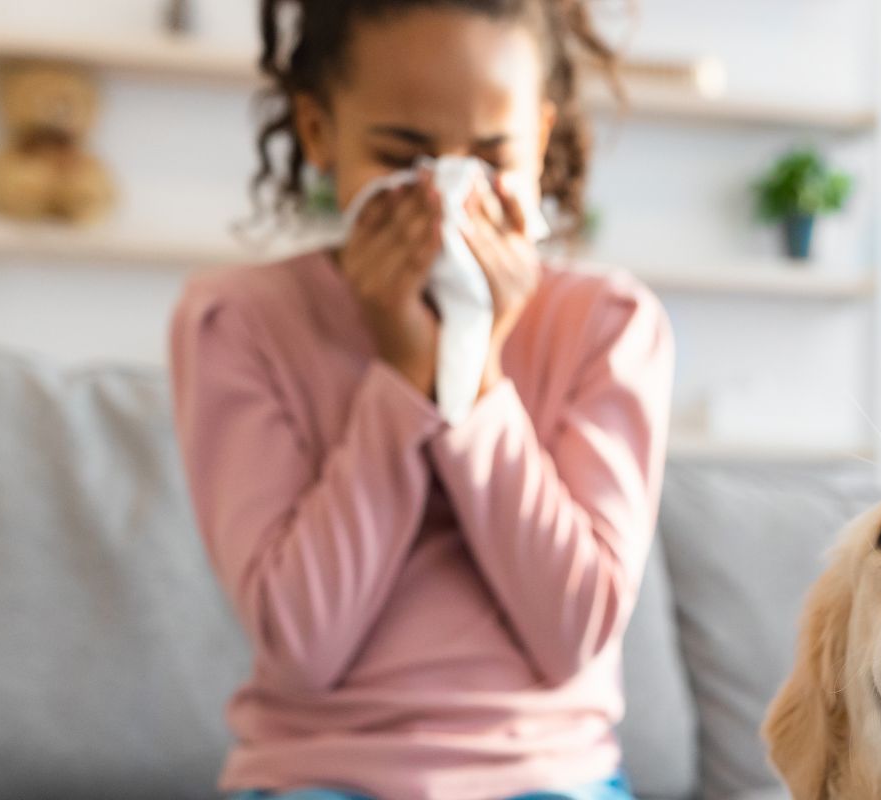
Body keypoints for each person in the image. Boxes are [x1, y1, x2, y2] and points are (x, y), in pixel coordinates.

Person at [166, 1, 672, 798]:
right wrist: (403, 373)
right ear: (319, 131)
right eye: (403, 155)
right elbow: (301, 645)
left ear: (538, 142)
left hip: (546, 776)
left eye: (490, 155)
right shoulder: (237, 323)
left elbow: (574, 631)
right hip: (317, 774)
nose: (447, 195)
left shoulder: (608, 326)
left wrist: (474, 371)